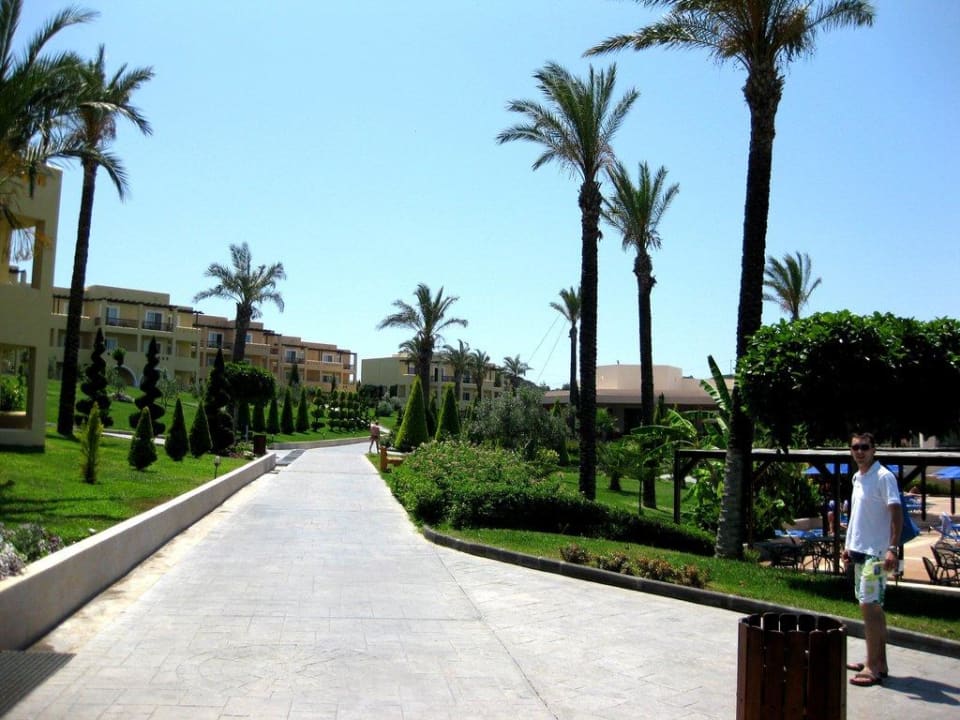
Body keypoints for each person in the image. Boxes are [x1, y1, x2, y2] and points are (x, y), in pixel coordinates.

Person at [841, 432, 903, 687]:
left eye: (864, 447)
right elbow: (857, 516)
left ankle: (873, 666)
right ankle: (878, 661)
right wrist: (848, 546)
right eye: (855, 447)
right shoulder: (858, 477)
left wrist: (892, 548)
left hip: (876, 553)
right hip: (859, 551)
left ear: (874, 449)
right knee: (871, 607)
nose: (859, 451)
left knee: (869, 605)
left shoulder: (883, 477)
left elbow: (896, 513)